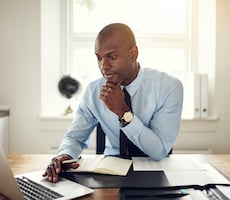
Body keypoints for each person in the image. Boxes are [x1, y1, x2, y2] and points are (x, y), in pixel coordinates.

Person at [43, 23, 183, 183]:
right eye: (99, 58)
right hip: (109, 173)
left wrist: (123, 113)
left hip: (157, 173)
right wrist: (64, 155)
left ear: (133, 53)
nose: (104, 66)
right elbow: (75, 137)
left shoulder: (169, 87)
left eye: (112, 57)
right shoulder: (93, 91)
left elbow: (159, 151)